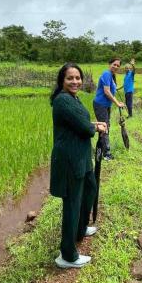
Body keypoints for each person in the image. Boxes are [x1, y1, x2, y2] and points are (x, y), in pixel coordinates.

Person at [49, 63, 108, 268]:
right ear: (62, 81)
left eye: (78, 78)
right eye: (70, 78)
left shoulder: (74, 98)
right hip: (70, 160)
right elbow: (83, 127)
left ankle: (81, 228)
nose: (75, 82)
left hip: (82, 157)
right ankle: (67, 255)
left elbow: (81, 122)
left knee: (90, 189)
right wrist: (95, 126)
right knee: (72, 204)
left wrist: (95, 124)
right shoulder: (62, 101)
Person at [93, 58, 125, 161]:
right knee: (104, 127)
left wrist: (117, 102)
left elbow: (112, 90)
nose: (115, 67)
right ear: (109, 64)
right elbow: (106, 91)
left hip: (106, 105)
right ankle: (106, 154)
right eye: (114, 64)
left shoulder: (111, 76)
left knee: (106, 126)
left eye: (118, 66)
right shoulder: (106, 74)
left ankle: (102, 149)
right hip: (100, 104)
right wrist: (117, 103)